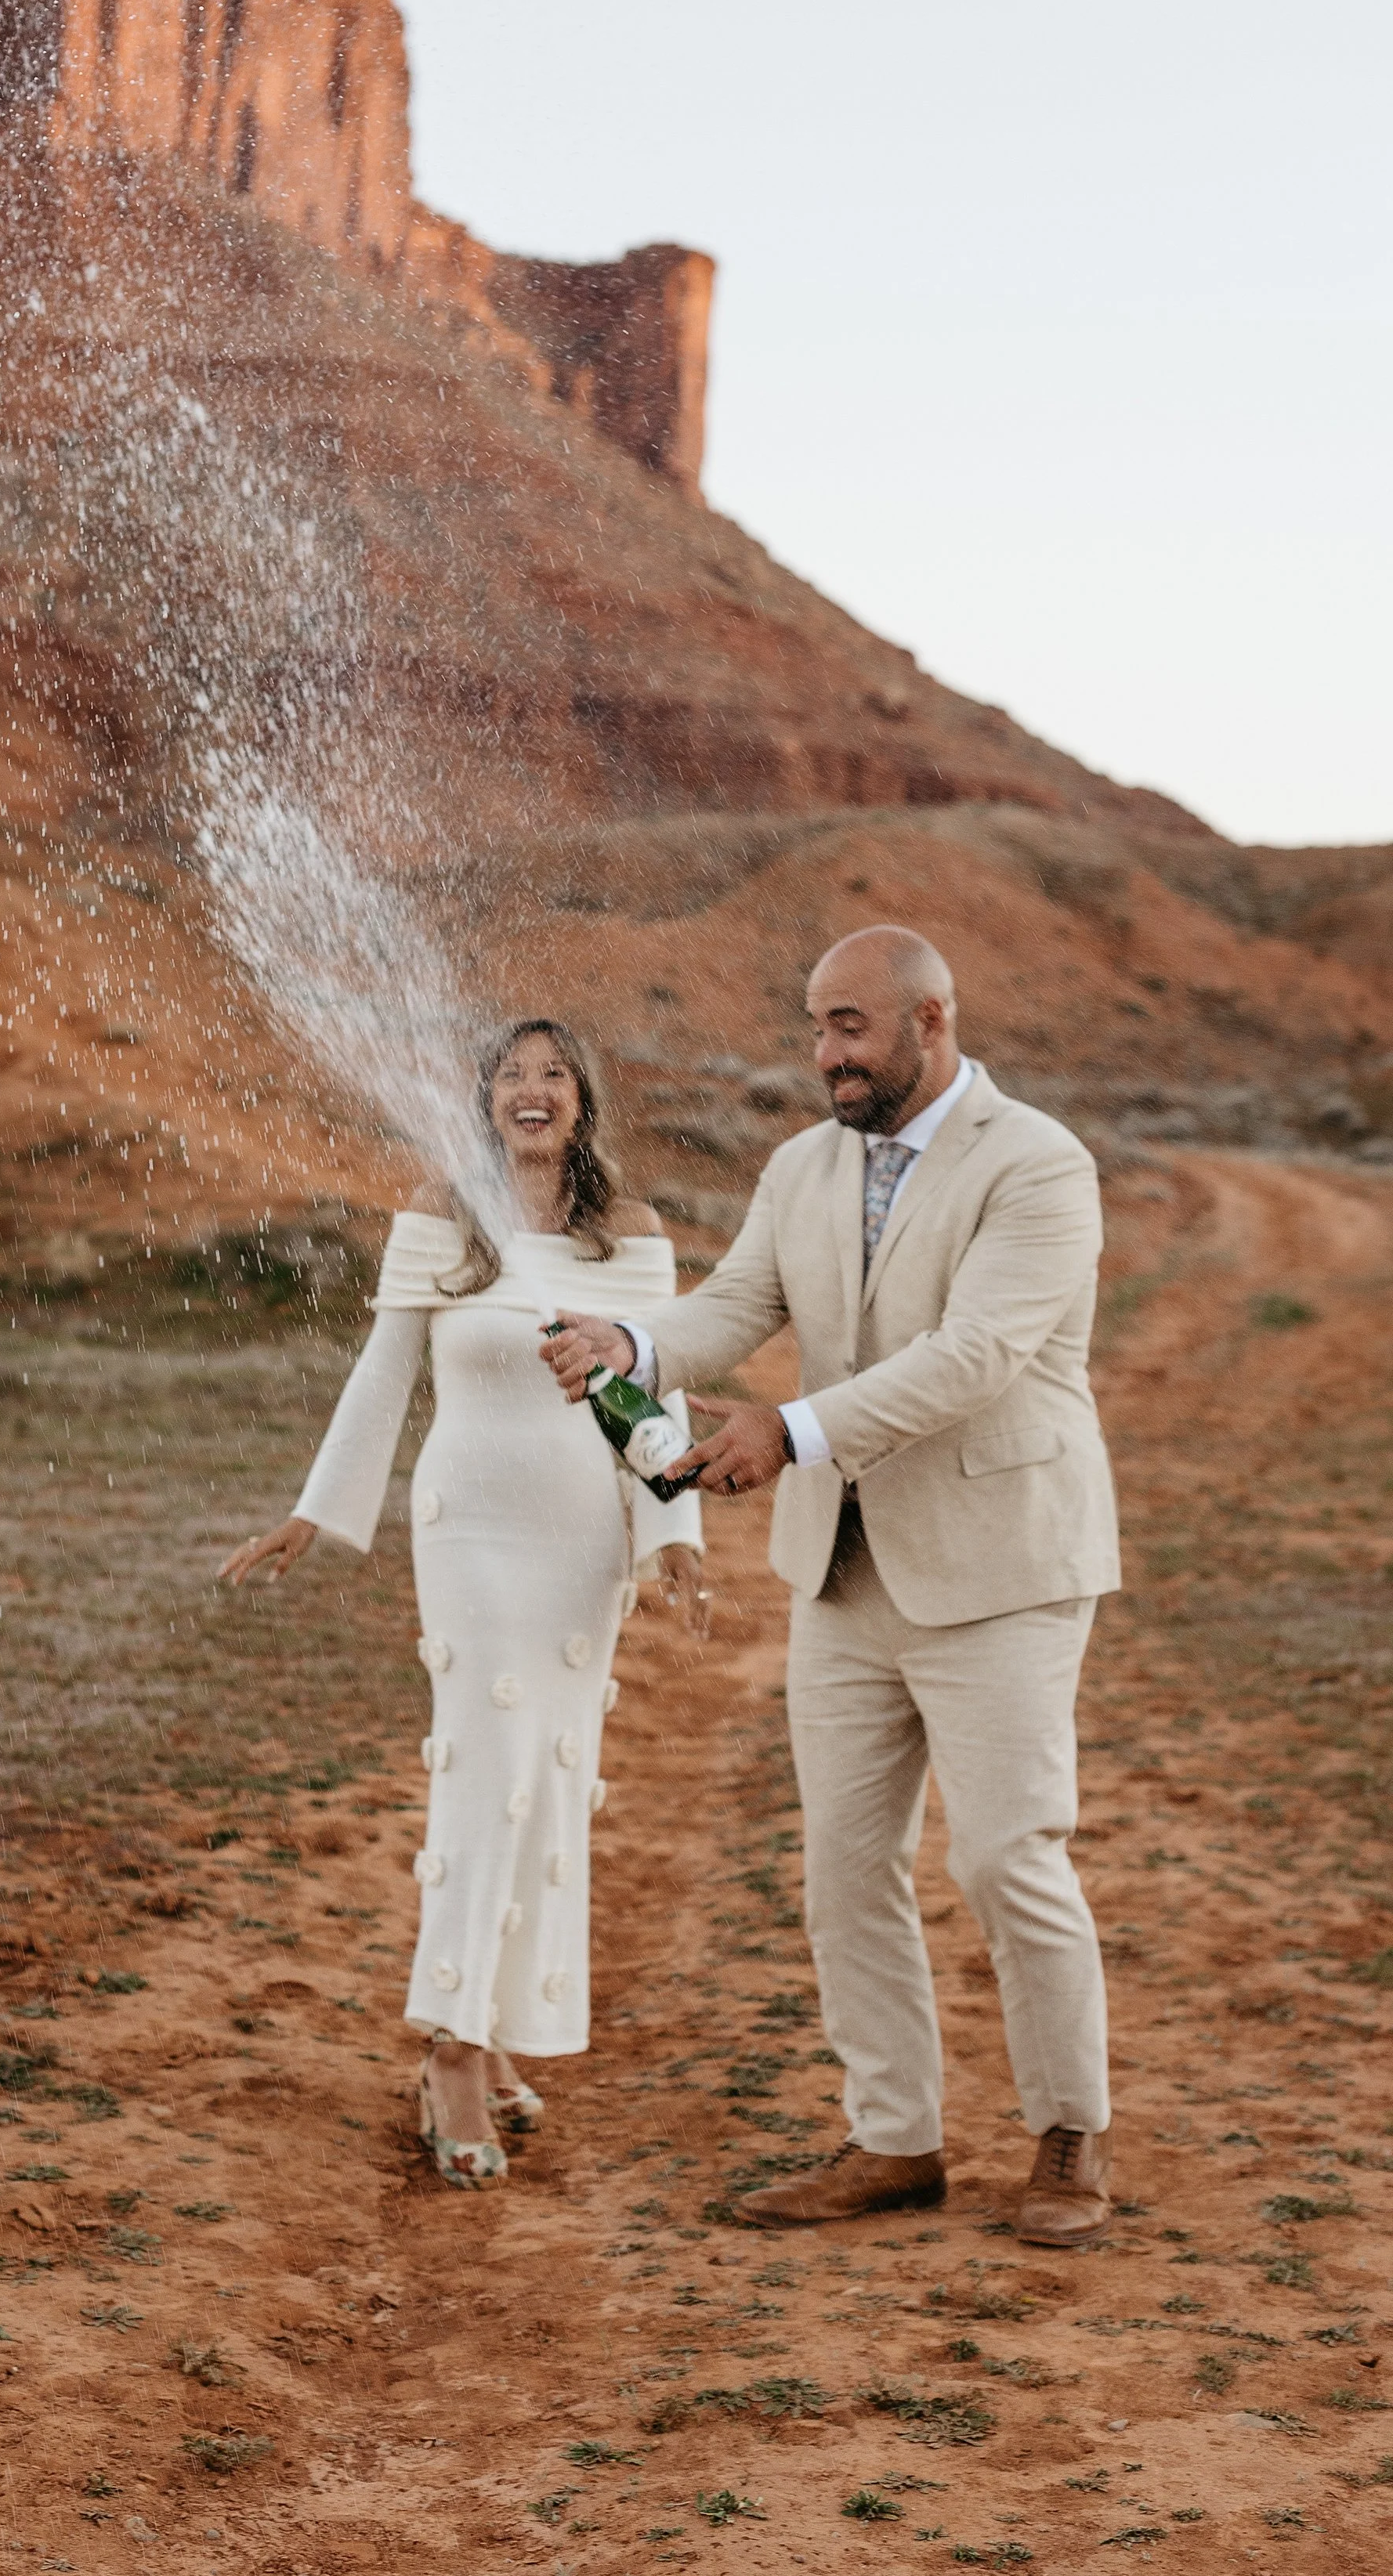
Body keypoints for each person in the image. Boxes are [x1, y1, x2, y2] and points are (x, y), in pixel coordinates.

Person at [541, 927, 1120, 2246]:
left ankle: (1069, 2136)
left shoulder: (1038, 1162)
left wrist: (789, 1432)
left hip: (1003, 1568)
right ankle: (894, 2139)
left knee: (1007, 1854)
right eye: (815, 1028)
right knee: (843, 1867)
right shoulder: (803, 1163)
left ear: (932, 1015)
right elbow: (737, 1304)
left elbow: (975, 1355)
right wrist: (629, 1338)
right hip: (842, 1571)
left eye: (851, 1027)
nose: (828, 1055)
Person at [221, 1020, 708, 2187]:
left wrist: (675, 1530)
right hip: (472, 1532)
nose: (531, 1092)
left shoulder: (630, 1237)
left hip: (581, 1540)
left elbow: (657, 1391)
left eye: (553, 1075)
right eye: (511, 1077)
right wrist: (315, 1508)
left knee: (547, 1781)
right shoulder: (443, 1216)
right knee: (485, 1773)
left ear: (583, 1103)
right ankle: (445, 2046)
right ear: (485, 1102)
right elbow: (386, 1367)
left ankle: (488, 2037)